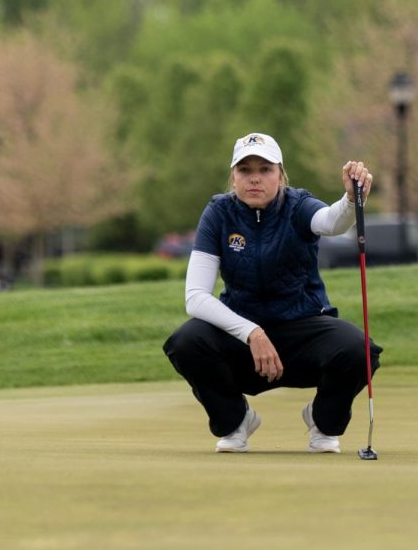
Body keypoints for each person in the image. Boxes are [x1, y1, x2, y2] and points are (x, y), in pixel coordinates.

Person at [162, 131, 382, 453]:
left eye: (265, 170)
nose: (255, 179)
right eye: (245, 170)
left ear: (280, 175)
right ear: (233, 177)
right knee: (186, 342)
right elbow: (195, 297)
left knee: (357, 350)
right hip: (243, 337)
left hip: (301, 327)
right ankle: (236, 422)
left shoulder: (299, 205)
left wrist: (351, 200)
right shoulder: (219, 214)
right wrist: (252, 333)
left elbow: (331, 222)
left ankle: (323, 422)